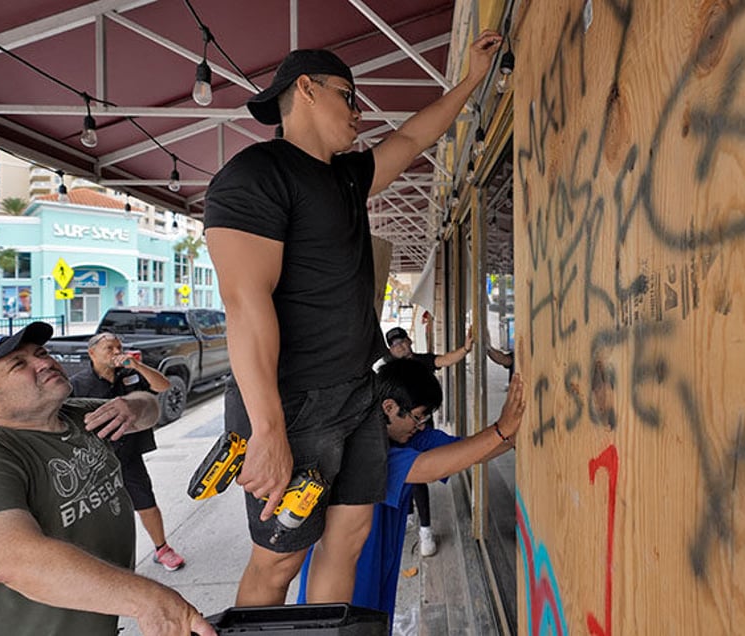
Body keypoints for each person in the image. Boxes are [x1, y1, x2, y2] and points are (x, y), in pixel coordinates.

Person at [203, 30, 503, 607]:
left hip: (355, 392)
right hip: (290, 402)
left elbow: (414, 137)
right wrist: (266, 431)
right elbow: (245, 305)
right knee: (281, 556)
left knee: (350, 537)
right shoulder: (254, 176)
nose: (359, 113)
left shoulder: (344, 176)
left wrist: (470, 78)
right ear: (307, 90)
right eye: (350, 96)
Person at [0, 323, 213, 636]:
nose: (45, 362)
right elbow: (16, 562)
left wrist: (133, 405)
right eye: (19, 364)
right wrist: (149, 601)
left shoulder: (76, 415)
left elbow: (151, 409)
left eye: (40, 353)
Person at [297, 358, 525, 628]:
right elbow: (426, 469)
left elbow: (470, 451)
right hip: (346, 573)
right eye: (418, 417)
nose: (420, 425)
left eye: (425, 418)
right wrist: (500, 430)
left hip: (380, 566)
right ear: (389, 407)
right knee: (336, 627)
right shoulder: (366, 450)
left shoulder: (411, 437)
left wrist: (512, 435)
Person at [70, 331, 185, 571]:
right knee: (99, 510)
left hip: (129, 455)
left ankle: (162, 548)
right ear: (92, 353)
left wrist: (137, 365)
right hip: (96, 459)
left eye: (118, 347)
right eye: (109, 349)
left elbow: (162, 386)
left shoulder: (130, 375)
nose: (115, 353)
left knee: (145, 501)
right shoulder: (79, 385)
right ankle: (98, 558)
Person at [381, 325, 474, 557]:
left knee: (417, 481)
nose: (401, 347)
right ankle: (414, 520)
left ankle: (424, 528)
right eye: (395, 345)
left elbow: (443, 360)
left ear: (410, 341)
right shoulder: (375, 451)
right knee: (412, 479)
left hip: (416, 438)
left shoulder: (420, 363)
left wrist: (465, 349)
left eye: (403, 342)